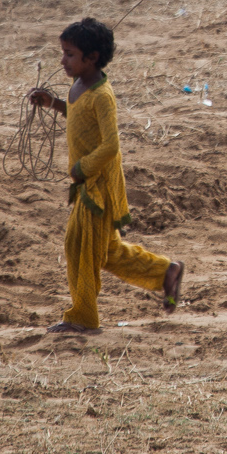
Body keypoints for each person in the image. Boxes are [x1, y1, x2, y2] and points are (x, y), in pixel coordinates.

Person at [28, 18, 184, 333]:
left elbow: (111, 146)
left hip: (97, 186)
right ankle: (166, 271)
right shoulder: (79, 86)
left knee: (79, 247)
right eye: (63, 53)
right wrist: (53, 103)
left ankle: (83, 317)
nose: (63, 61)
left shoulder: (103, 95)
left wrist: (81, 169)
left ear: (92, 58)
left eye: (70, 54)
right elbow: (79, 115)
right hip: (87, 183)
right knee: (106, 251)